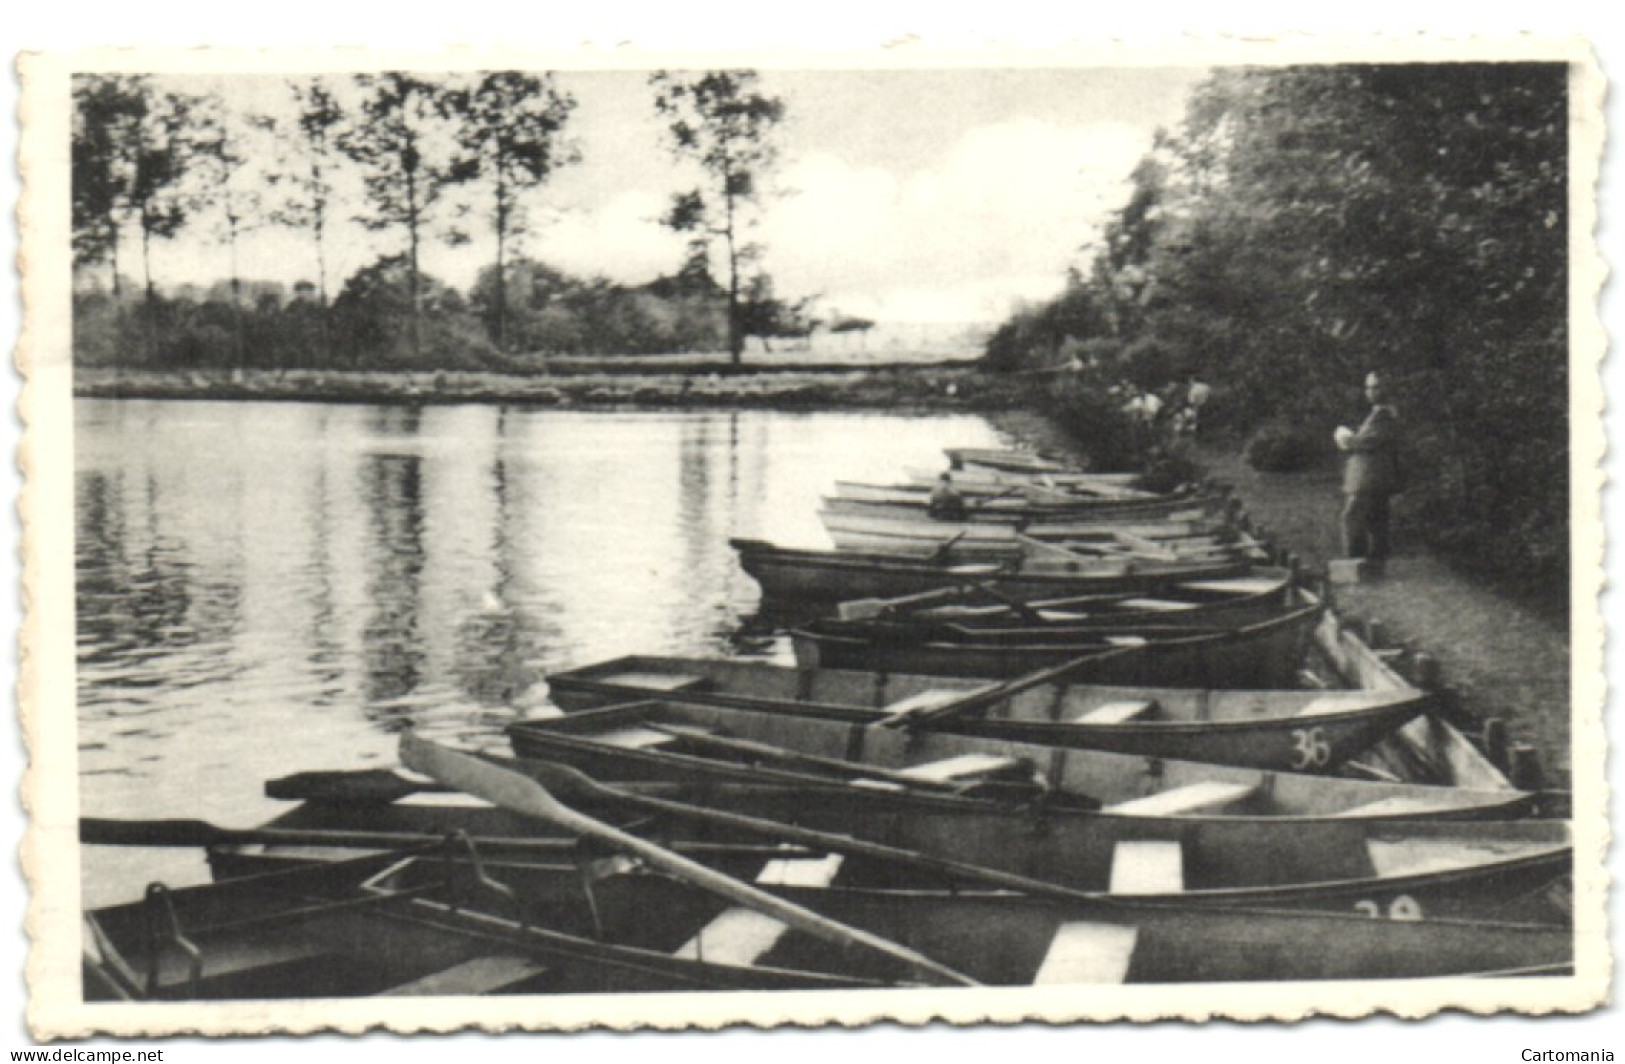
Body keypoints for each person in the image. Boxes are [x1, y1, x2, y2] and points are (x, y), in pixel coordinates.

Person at [1334, 371, 1403, 565]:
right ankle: (1375, 570)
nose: (1371, 392)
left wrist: (1344, 438)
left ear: (1387, 389)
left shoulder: (1384, 415)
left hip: (1369, 479)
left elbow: (1366, 442)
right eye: (1368, 387)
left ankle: (1355, 567)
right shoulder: (1379, 413)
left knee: (1353, 519)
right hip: (1373, 478)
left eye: (1376, 387)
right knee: (1376, 522)